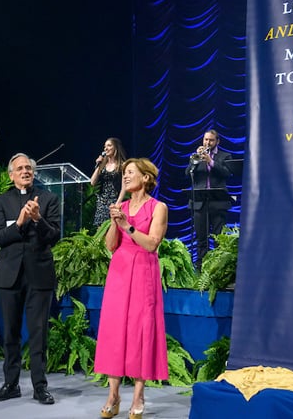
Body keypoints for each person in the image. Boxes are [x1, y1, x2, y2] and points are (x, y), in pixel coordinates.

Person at [94, 158, 169, 419]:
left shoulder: (158, 207)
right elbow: (110, 245)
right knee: (114, 331)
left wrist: (128, 224)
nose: (125, 177)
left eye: (131, 173)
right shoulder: (122, 206)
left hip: (143, 272)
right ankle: (113, 395)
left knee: (140, 332)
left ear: (146, 178)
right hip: (120, 271)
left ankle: (138, 396)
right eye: (124, 173)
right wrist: (115, 221)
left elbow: (151, 244)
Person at [0, 153, 61, 405]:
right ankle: (11, 384)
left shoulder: (49, 198)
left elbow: (54, 236)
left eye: (28, 168)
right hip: (9, 276)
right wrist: (20, 221)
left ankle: (40, 387)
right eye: (19, 168)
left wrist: (38, 219)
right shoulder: (2, 201)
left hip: (39, 275)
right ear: (11, 175)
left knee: (38, 333)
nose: (25, 171)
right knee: (10, 333)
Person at [184, 129, 233, 266]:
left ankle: (217, 269)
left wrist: (211, 161)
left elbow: (227, 173)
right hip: (200, 203)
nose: (207, 142)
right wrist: (194, 161)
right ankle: (200, 268)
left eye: (211, 140)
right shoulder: (197, 156)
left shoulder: (225, 156)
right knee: (201, 239)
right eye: (205, 140)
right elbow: (188, 173)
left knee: (219, 238)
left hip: (218, 203)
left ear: (218, 141)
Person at [90, 137, 127, 228]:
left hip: (114, 202)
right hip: (102, 202)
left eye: (109, 145)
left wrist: (118, 203)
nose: (106, 148)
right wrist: (99, 165)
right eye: (105, 146)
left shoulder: (122, 165)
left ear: (116, 148)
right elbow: (92, 182)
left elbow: (124, 187)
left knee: (112, 229)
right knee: (100, 230)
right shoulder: (103, 165)